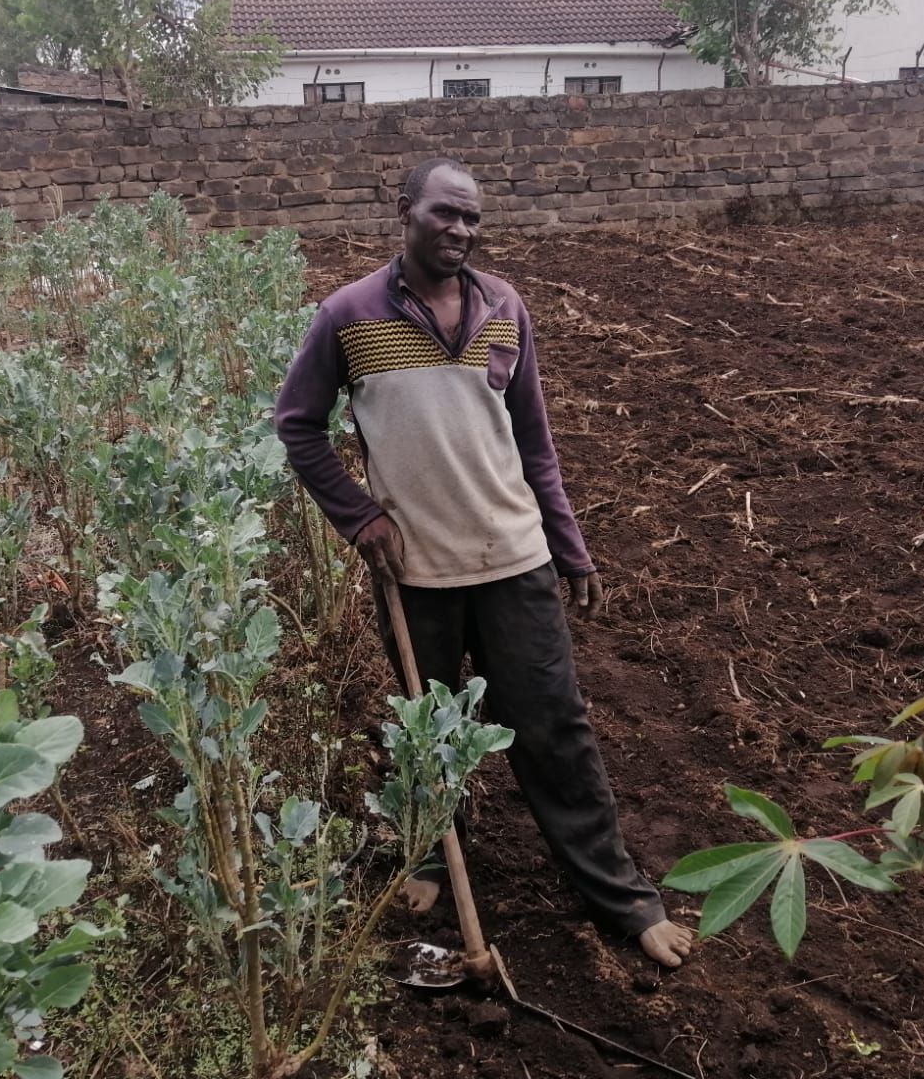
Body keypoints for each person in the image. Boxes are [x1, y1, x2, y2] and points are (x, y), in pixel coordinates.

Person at [273, 157, 693, 968]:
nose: (460, 231)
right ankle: (435, 855)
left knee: (554, 729)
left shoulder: (504, 307)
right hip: (415, 568)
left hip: (513, 556)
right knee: (430, 733)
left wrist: (571, 550)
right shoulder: (348, 315)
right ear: (405, 210)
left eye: (472, 220)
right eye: (445, 214)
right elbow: (298, 425)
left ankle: (619, 894)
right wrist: (359, 518)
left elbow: (533, 441)